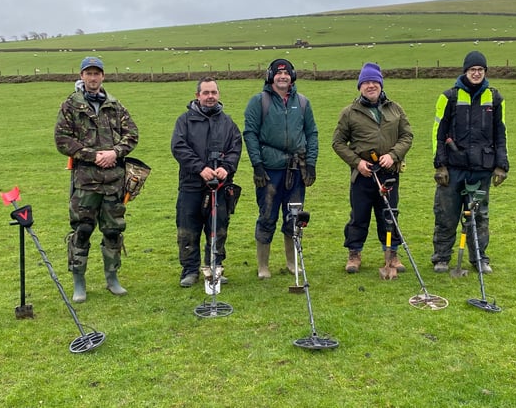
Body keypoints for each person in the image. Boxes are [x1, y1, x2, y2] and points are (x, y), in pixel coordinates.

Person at [54, 56, 139, 303]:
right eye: (88, 73)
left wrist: (115, 153)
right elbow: (62, 139)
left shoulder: (115, 105)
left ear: (103, 76)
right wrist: (93, 156)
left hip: (113, 180)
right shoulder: (70, 105)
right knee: (82, 230)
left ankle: (112, 278)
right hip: (85, 181)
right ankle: (79, 281)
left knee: (113, 230)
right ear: (81, 76)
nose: (93, 78)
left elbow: (132, 135)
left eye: (97, 73)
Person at [431, 50, 509, 274]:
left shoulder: (494, 99)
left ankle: (479, 259)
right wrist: (440, 165)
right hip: (453, 168)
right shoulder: (449, 97)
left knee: (479, 216)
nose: (476, 73)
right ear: (465, 71)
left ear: (485, 72)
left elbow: (501, 134)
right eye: (472, 69)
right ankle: (441, 258)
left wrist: (501, 165)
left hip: (482, 169)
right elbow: (438, 131)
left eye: (480, 70)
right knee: (446, 215)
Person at [332, 63, 413, 277]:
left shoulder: (395, 109)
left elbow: (407, 136)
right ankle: (354, 254)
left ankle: (391, 255)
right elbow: (338, 142)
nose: (371, 86)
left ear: (381, 84)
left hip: (389, 173)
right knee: (359, 216)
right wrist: (357, 162)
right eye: (366, 82)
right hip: (363, 174)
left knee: (389, 215)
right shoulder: (349, 113)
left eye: (374, 82)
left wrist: (393, 156)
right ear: (360, 86)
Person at [243, 59, 318, 279]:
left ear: (292, 76)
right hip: (269, 170)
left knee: (294, 217)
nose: (282, 77)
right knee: (267, 216)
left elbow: (312, 133)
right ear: (271, 77)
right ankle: (263, 266)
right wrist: (257, 165)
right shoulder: (259, 102)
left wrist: (311, 163)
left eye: (286, 74)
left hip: (296, 169)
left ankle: (292, 263)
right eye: (278, 74)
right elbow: (250, 134)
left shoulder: (303, 103)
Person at [171, 77, 242, 288]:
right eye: (206, 93)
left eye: (214, 92)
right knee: (188, 229)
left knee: (218, 228)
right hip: (191, 185)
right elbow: (179, 147)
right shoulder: (184, 121)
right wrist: (200, 168)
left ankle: (215, 268)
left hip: (220, 187)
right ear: (197, 96)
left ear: (218, 94)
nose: (210, 97)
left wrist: (226, 168)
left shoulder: (228, 123)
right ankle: (190, 270)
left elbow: (235, 148)